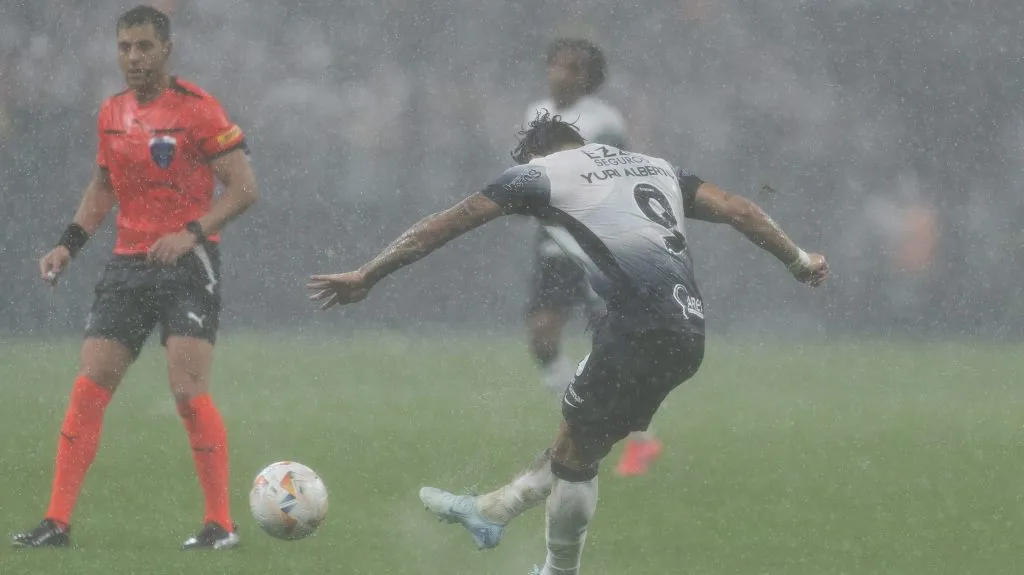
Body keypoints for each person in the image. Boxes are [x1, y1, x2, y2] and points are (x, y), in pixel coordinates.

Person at [307, 112, 829, 574]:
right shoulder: (655, 166)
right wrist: (799, 259)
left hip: (634, 330)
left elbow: (446, 224)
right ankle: (489, 512)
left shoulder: (541, 175)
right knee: (580, 442)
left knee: (576, 460)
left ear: (535, 154)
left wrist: (368, 274)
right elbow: (739, 208)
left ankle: (554, 567)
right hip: (688, 333)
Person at [12, 5, 258, 550]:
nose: (133, 57)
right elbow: (103, 188)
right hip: (127, 263)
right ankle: (56, 522)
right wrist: (68, 244)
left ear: (166, 49)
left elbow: (243, 188)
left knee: (187, 392)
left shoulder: (199, 110)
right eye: (124, 47)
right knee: (89, 386)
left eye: (144, 46)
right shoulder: (112, 112)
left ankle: (221, 524)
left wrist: (191, 233)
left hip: (189, 266)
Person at [524, 38, 660, 477]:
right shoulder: (534, 112)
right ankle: (585, 422)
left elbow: (618, 175)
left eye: (573, 69)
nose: (562, 75)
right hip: (553, 243)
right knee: (543, 335)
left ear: (588, 78)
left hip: (596, 245)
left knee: (612, 343)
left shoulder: (605, 122)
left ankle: (639, 438)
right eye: (557, 66)